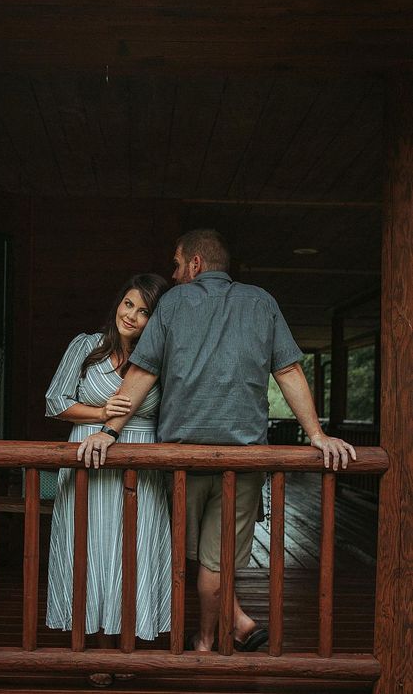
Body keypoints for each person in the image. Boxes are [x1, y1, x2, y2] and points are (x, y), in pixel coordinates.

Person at [77, 229, 357, 653]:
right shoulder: (262, 301)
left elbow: (143, 371)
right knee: (217, 557)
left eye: (176, 264)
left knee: (187, 557)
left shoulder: (172, 302)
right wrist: (317, 435)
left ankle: (223, 629)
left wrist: (108, 430)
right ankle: (212, 637)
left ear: (195, 264)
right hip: (242, 461)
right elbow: (288, 371)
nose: (172, 274)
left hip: (181, 458)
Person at [45, 273, 171, 688]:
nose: (132, 316)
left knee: (134, 549)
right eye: (128, 304)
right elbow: (56, 402)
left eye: (144, 311)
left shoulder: (161, 358)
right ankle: (96, 644)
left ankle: (129, 646)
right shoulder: (85, 346)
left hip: (141, 459)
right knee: (89, 547)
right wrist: (102, 414)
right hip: (87, 452)